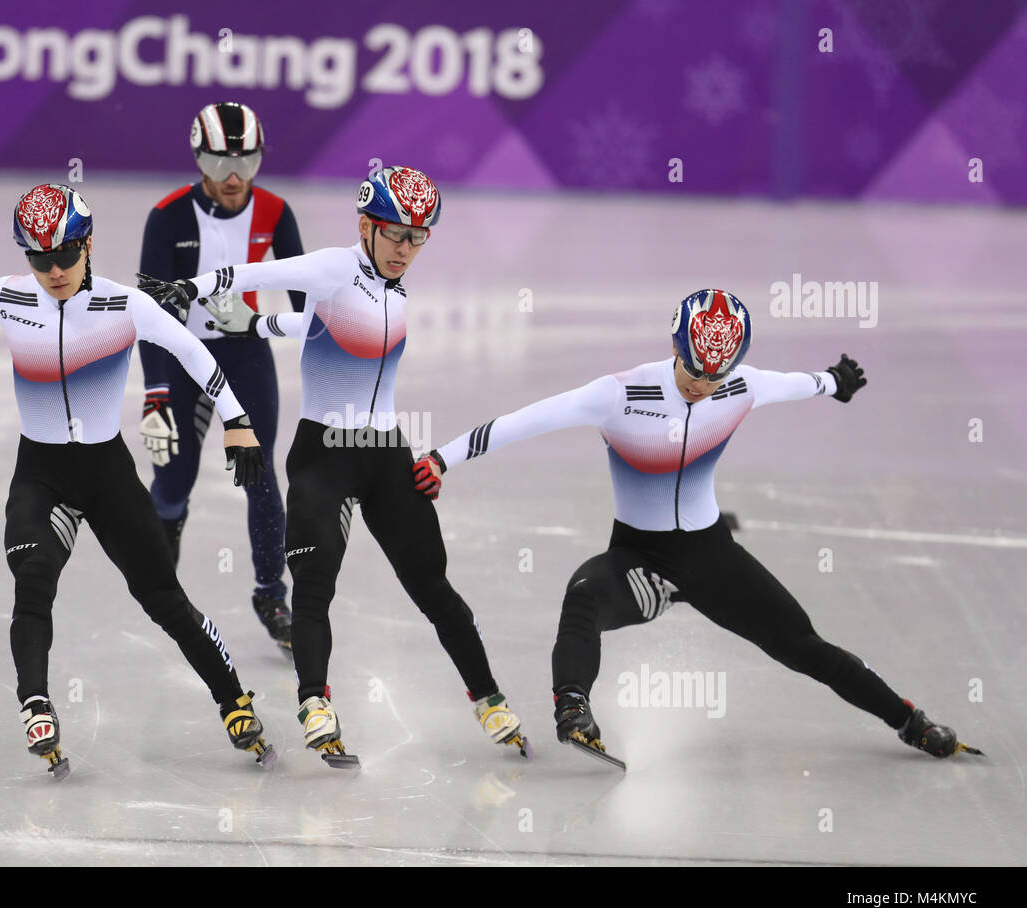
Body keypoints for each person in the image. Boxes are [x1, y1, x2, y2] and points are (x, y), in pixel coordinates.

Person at [413, 288, 981, 763]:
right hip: (640, 561)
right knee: (583, 596)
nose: (701, 385)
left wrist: (834, 381)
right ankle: (573, 707)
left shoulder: (743, 384)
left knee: (804, 646)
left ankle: (911, 722)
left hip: (713, 560)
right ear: (676, 347)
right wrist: (442, 457)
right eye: (692, 369)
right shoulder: (620, 393)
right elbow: (523, 421)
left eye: (716, 376)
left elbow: (796, 382)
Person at [138, 166, 529, 768]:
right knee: (316, 589)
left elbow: (318, 324)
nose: (406, 250)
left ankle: (490, 699)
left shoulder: (394, 288)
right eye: (396, 235)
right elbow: (257, 272)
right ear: (366, 226)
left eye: (418, 238)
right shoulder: (331, 266)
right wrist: (191, 288)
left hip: (386, 455)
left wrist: (259, 324)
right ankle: (314, 702)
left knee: (434, 589)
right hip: (323, 455)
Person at [0, 183, 276, 778]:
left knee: (164, 601)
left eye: (65, 256)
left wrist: (238, 422)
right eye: (38, 258)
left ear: (88, 244)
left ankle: (233, 699)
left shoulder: (126, 305)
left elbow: (193, 352)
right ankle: (36, 704)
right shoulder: (12, 296)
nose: (52, 271)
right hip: (40, 473)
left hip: (107, 475)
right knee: (33, 576)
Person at [138, 102, 305, 654]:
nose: (233, 178)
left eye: (247, 161)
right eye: (217, 163)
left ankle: (270, 593)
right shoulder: (167, 217)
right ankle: (163, 583)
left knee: (259, 473)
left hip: (244, 354)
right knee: (172, 485)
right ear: (197, 160)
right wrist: (156, 394)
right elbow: (149, 316)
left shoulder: (276, 212)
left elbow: (309, 299)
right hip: (182, 359)